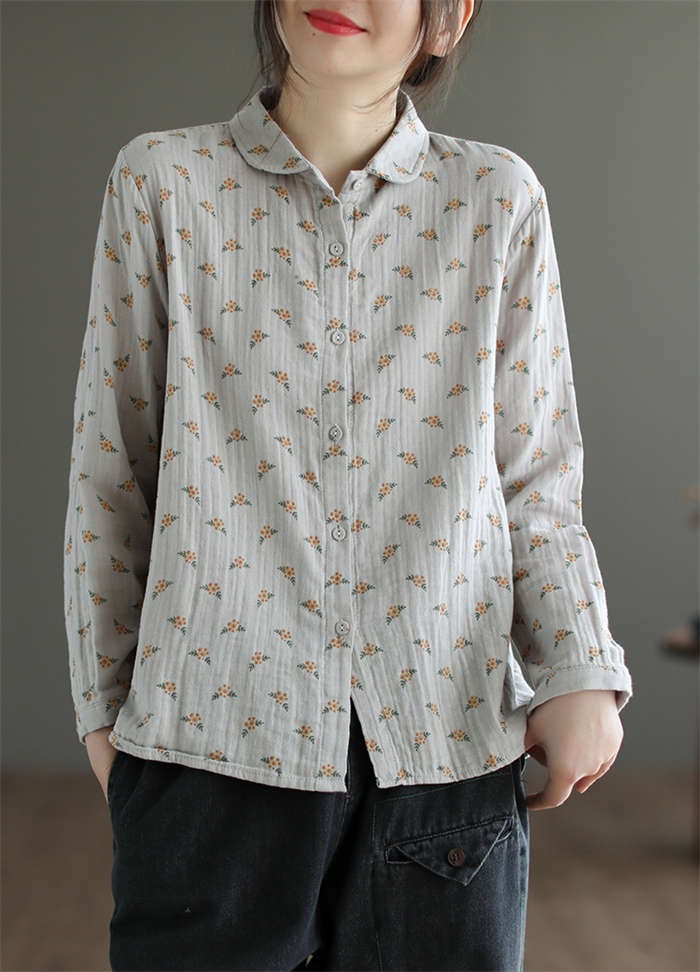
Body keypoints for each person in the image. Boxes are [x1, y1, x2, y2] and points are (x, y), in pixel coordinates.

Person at [62, 1, 634, 969]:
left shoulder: (495, 200)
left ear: (447, 19)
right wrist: (104, 716)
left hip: (444, 760)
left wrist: (577, 668)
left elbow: (534, 479)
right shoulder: (163, 182)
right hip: (208, 754)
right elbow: (112, 472)